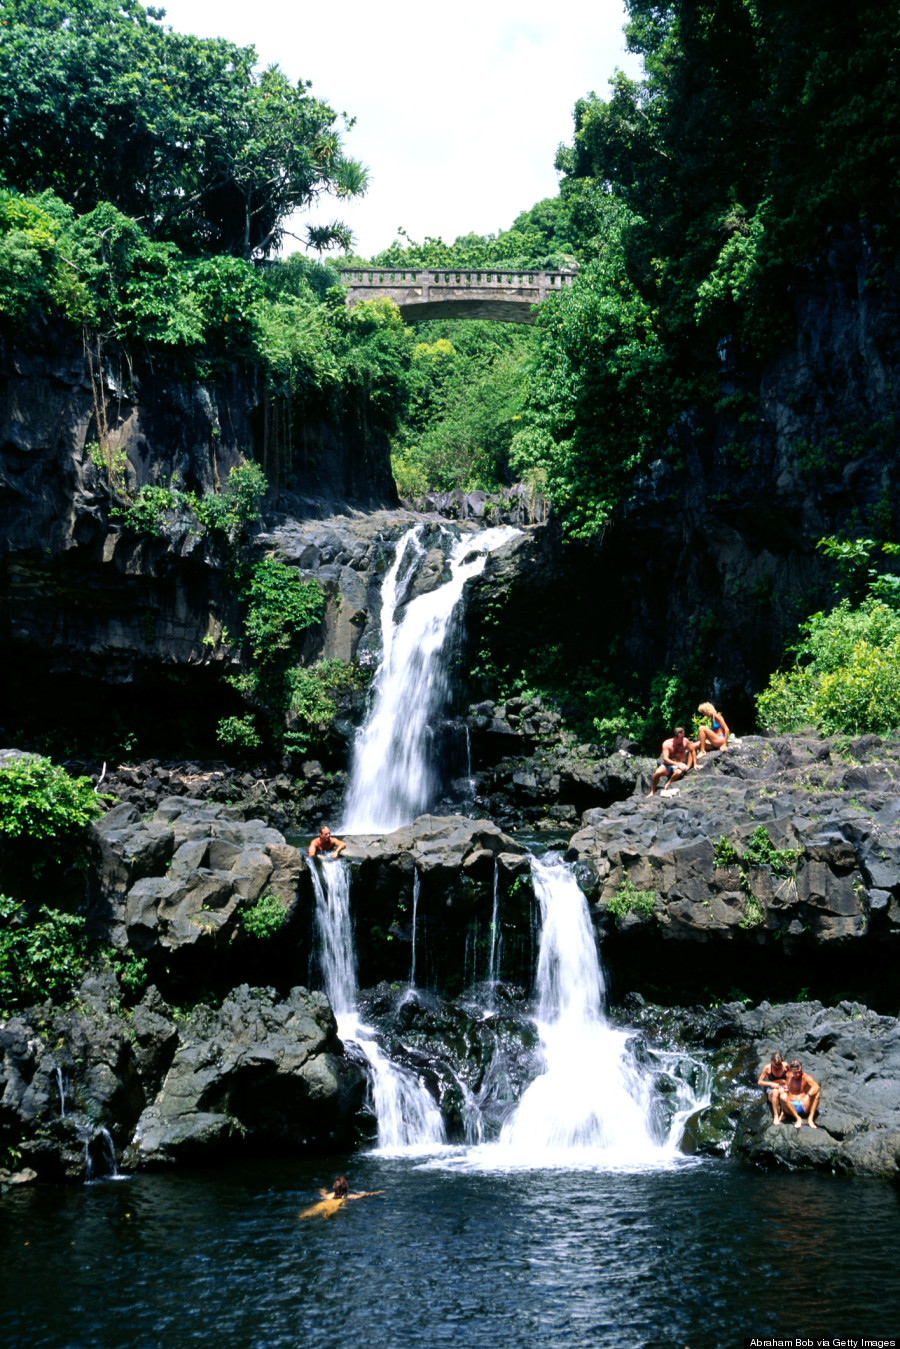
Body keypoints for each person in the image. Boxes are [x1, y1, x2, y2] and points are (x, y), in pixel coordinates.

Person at [299, 1175, 384, 1219]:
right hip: (335, 1205)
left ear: (334, 1187)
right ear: (346, 1187)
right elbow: (364, 1195)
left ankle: (302, 1217)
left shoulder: (330, 1195)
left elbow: (322, 1194)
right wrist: (377, 1192)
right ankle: (325, 1216)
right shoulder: (349, 1196)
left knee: (308, 1213)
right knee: (327, 1215)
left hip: (324, 1203)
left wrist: (321, 1190)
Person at [647, 727, 696, 796]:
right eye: (681, 738)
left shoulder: (685, 741)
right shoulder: (667, 744)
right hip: (668, 765)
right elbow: (665, 758)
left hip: (680, 764)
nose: (683, 739)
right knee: (657, 773)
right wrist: (676, 763)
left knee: (678, 772)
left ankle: (668, 783)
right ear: (675, 737)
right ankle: (652, 791)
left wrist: (694, 764)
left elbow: (692, 750)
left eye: (683, 737)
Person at [779, 1059, 820, 1129]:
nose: (798, 1074)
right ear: (791, 1071)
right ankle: (798, 1119)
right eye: (795, 1072)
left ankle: (810, 1119)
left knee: (817, 1094)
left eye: (799, 1072)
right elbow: (777, 1066)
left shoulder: (806, 1077)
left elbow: (816, 1086)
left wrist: (808, 1095)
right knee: (782, 1095)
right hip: (790, 1107)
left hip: (803, 1106)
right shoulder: (788, 1075)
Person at [757, 1051, 788, 1125]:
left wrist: (786, 1083)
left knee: (781, 1090)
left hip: (783, 1087)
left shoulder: (785, 1066)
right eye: (776, 1065)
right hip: (772, 1089)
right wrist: (771, 1083)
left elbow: (790, 1076)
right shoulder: (767, 1068)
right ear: (772, 1062)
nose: (778, 1066)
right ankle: (776, 1115)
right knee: (775, 1092)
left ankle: (783, 1112)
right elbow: (760, 1082)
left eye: (780, 1064)